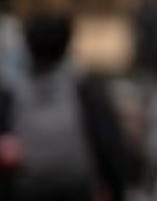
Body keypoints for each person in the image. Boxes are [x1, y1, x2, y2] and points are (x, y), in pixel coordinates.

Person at [0, 12, 136, 201]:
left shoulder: (11, 93)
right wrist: (116, 188)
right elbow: (108, 144)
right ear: (66, 45)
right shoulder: (82, 90)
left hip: (26, 189)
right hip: (76, 188)